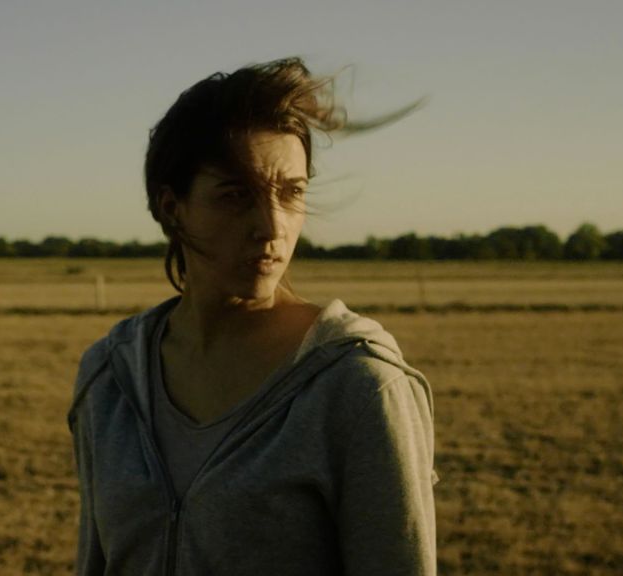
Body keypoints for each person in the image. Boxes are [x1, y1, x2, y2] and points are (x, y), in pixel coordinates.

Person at [67, 57, 438, 576]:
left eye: (292, 193)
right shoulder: (108, 377)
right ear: (173, 208)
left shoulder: (359, 387)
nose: (271, 226)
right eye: (236, 195)